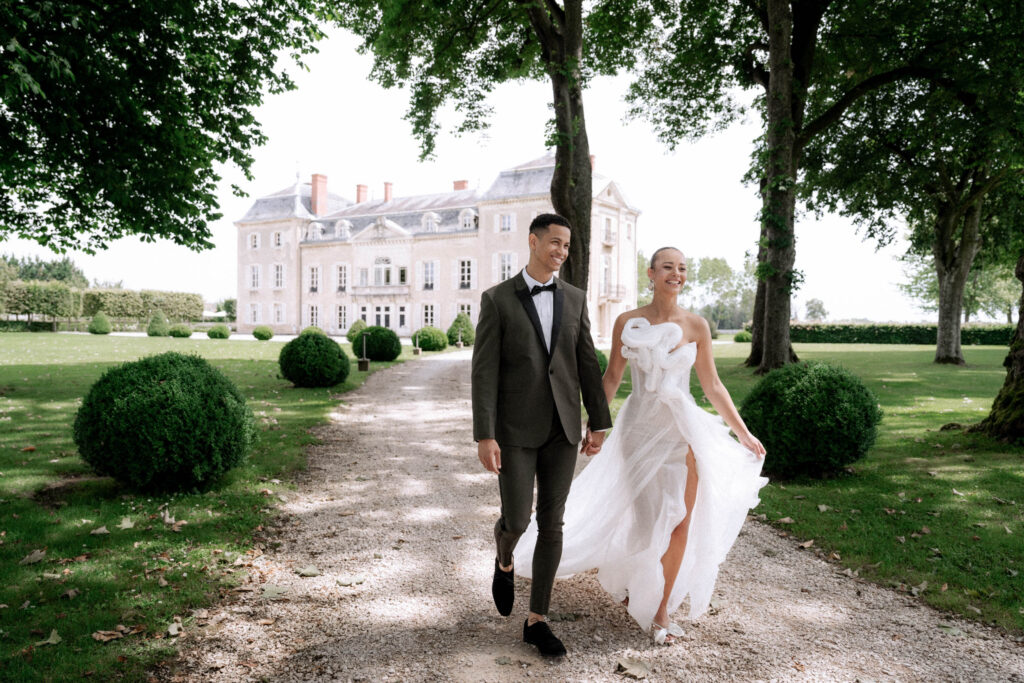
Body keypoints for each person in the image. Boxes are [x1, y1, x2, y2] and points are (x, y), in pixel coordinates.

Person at [513, 246, 768, 645]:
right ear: (650, 273)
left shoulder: (697, 326)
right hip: (638, 430)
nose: (676, 273)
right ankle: (638, 581)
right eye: (668, 267)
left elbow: (712, 386)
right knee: (649, 519)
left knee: (681, 519)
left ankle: (662, 607)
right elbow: (612, 376)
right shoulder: (628, 322)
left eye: (682, 268)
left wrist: (743, 431)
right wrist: (596, 425)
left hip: (681, 430)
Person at [471, 213, 612, 657]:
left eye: (567, 246)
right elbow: (484, 373)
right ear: (532, 242)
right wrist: (485, 434)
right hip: (514, 430)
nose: (561, 252)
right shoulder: (497, 300)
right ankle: (505, 555)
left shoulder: (574, 298)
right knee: (517, 519)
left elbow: (586, 362)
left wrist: (599, 421)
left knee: (553, 523)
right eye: (554, 243)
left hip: (564, 429)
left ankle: (538, 620)